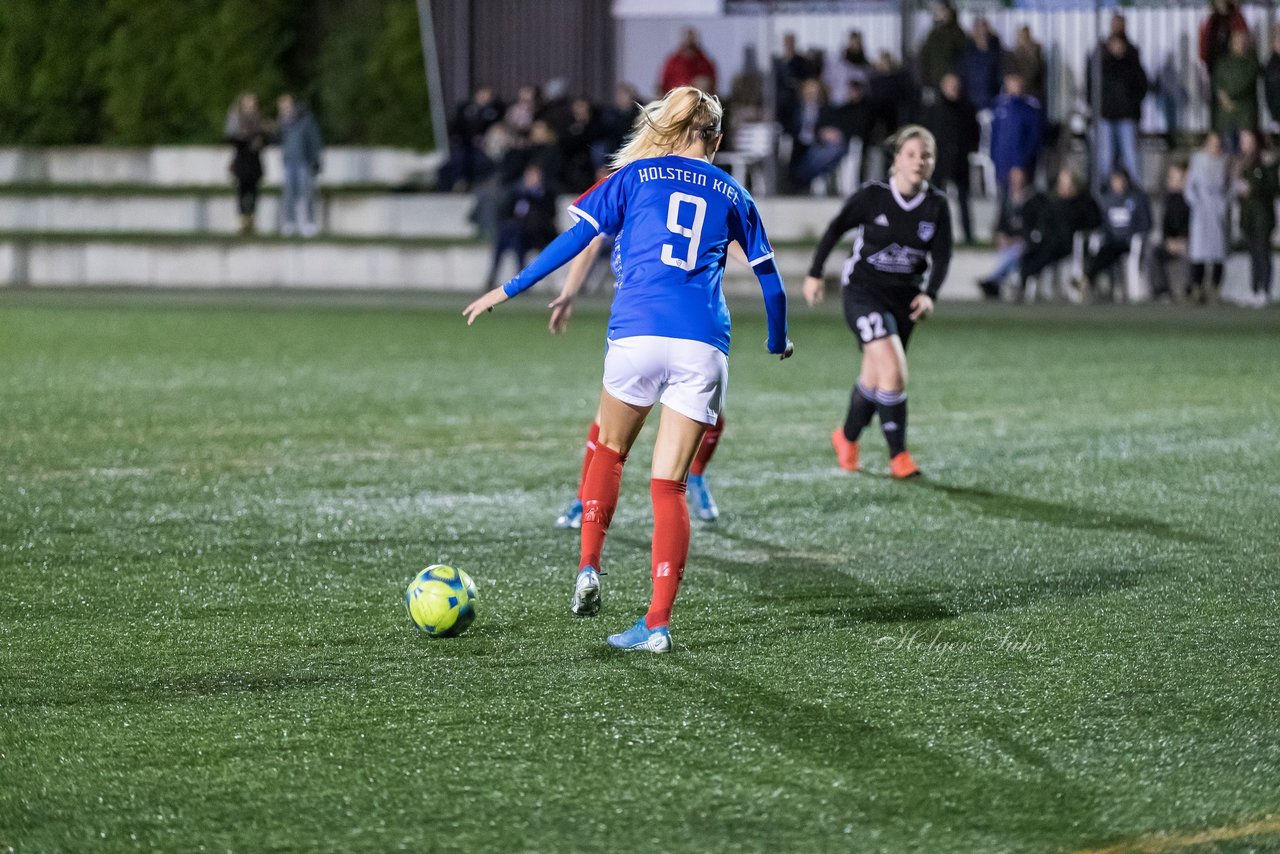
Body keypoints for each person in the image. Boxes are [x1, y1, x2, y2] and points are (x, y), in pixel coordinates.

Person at [463, 87, 792, 653]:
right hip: (702, 346)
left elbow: (575, 240)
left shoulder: (635, 176)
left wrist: (507, 288)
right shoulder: (733, 191)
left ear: (668, 129)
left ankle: (589, 565)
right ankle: (657, 624)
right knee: (669, 488)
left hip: (637, 334)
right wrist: (777, 338)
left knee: (609, 450)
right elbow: (772, 281)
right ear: (715, 140)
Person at [801, 125, 953, 479]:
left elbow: (943, 257)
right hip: (863, 293)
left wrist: (929, 295)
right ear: (896, 160)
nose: (919, 162)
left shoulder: (936, 205)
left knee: (874, 378)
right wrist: (814, 272)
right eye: (911, 154)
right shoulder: (873, 197)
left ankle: (846, 437)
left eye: (926, 155)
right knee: (894, 373)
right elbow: (836, 228)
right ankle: (899, 456)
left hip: (905, 301)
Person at [1017, 169, 1101, 298]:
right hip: (1049, 240)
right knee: (1030, 253)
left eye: (1067, 182)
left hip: (1067, 243)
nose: (1064, 186)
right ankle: (1023, 284)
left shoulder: (1082, 202)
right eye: (1062, 182)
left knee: (1043, 254)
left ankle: (1025, 281)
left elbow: (1092, 222)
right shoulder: (1052, 201)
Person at [923, 72, 980, 244]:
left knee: (963, 198)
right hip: (939, 160)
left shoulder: (967, 108)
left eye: (956, 86)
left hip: (960, 159)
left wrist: (968, 149)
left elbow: (974, 133)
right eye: (951, 86)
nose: (954, 90)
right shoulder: (934, 109)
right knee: (935, 199)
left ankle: (968, 234)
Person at [1078, 168, 1151, 301]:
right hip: (1112, 241)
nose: (1118, 184)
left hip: (1129, 242)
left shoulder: (1136, 199)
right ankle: (1089, 280)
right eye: (1115, 181)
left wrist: (1135, 236)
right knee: (1101, 252)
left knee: (1110, 252)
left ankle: (1087, 279)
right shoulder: (1107, 201)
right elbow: (1103, 224)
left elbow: (1145, 223)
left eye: (1120, 180)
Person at [483, 164, 558, 290]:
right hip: (519, 232)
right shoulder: (517, 193)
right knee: (505, 238)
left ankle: (522, 280)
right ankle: (493, 277)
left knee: (518, 240)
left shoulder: (546, 194)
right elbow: (506, 212)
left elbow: (550, 215)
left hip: (539, 233)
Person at [977, 166, 1046, 299]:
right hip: (1010, 242)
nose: (1015, 182)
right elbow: (1001, 224)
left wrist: (1020, 239)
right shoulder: (1007, 200)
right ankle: (996, 282)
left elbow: (1033, 227)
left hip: (1024, 243)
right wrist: (1001, 236)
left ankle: (993, 280)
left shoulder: (1033, 201)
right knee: (1009, 252)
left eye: (1018, 179)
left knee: (1014, 253)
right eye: (1013, 179)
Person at [1090, 32, 1148, 189]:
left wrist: (1132, 105)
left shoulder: (1132, 64)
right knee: (1105, 156)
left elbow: (1142, 86)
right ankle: (1105, 188)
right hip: (1106, 117)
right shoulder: (1101, 64)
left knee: (1131, 156)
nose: (1117, 47)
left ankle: (1135, 189)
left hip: (1126, 117)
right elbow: (1092, 89)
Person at [1185, 131, 1231, 304]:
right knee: (1199, 251)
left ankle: (1215, 288)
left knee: (1218, 251)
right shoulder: (1198, 160)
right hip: (1201, 209)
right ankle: (1197, 288)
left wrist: (1224, 204)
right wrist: (1196, 203)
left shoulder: (1224, 161)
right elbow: (1190, 187)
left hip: (1217, 209)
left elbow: (1229, 186)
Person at [1234, 130, 1278, 307]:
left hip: (1263, 215)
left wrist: (1253, 187)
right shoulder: (1243, 162)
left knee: (1262, 252)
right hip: (1249, 216)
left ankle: (1264, 290)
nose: (1244, 144)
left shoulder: (1266, 161)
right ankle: (1254, 289)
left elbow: (1272, 186)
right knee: (1253, 253)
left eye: (1247, 140)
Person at [990, 73, 1045, 201]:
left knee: (1019, 203)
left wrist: (1020, 164)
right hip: (1002, 164)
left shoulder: (1030, 110)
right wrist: (993, 158)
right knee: (1002, 203)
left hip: (1020, 167)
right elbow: (995, 135)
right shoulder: (1000, 106)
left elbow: (1032, 140)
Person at [275, 93, 324, 237]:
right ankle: (290, 222)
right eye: (282, 107)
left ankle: (309, 222)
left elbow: (314, 141)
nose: (285, 109)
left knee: (306, 193)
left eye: (287, 106)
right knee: (289, 193)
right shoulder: (282, 122)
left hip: (303, 162)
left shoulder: (305, 120)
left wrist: (315, 160)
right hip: (289, 163)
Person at [1146, 162, 1192, 301]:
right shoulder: (1167, 200)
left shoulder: (1191, 200)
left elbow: (1192, 223)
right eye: (1171, 178)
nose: (1173, 182)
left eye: (1177, 178)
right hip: (1170, 242)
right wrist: (1168, 240)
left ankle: (1188, 290)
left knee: (1189, 253)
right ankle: (1162, 290)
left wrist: (1183, 239)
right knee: (1151, 252)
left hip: (1187, 242)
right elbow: (1164, 224)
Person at [224, 93, 267, 235]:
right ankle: (244, 220)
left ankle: (252, 220)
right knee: (242, 192)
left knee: (254, 192)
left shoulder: (259, 120)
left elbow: (266, 138)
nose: (250, 107)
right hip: (242, 161)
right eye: (247, 105)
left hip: (254, 161)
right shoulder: (236, 120)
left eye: (252, 105)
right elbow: (231, 138)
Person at [1212, 30, 1259, 152]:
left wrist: (1228, 98)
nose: (1239, 44)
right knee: (1227, 152)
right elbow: (1217, 82)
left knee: (1246, 152)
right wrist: (1222, 97)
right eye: (1236, 41)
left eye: (1242, 42)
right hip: (1225, 118)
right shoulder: (1223, 63)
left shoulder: (1251, 63)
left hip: (1244, 117)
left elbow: (1243, 84)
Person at [918, 1, 966, 94]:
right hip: (934, 82)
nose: (941, 14)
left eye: (944, 11)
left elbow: (962, 59)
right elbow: (925, 59)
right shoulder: (932, 34)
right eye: (939, 11)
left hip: (951, 83)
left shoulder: (958, 34)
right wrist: (926, 82)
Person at [959, 17, 1003, 111]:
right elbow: (962, 76)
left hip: (991, 102)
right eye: (978, 28)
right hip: (969, 103)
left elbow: (1000, 77)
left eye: (984, 28)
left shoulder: (997, 51)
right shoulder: (966, 52)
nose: (981, 32)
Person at [659, 28, 717, 94]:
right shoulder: (673, 61)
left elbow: (712, 83)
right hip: (676, 96)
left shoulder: (704, 62)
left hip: (695, 97)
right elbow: (663, 84)